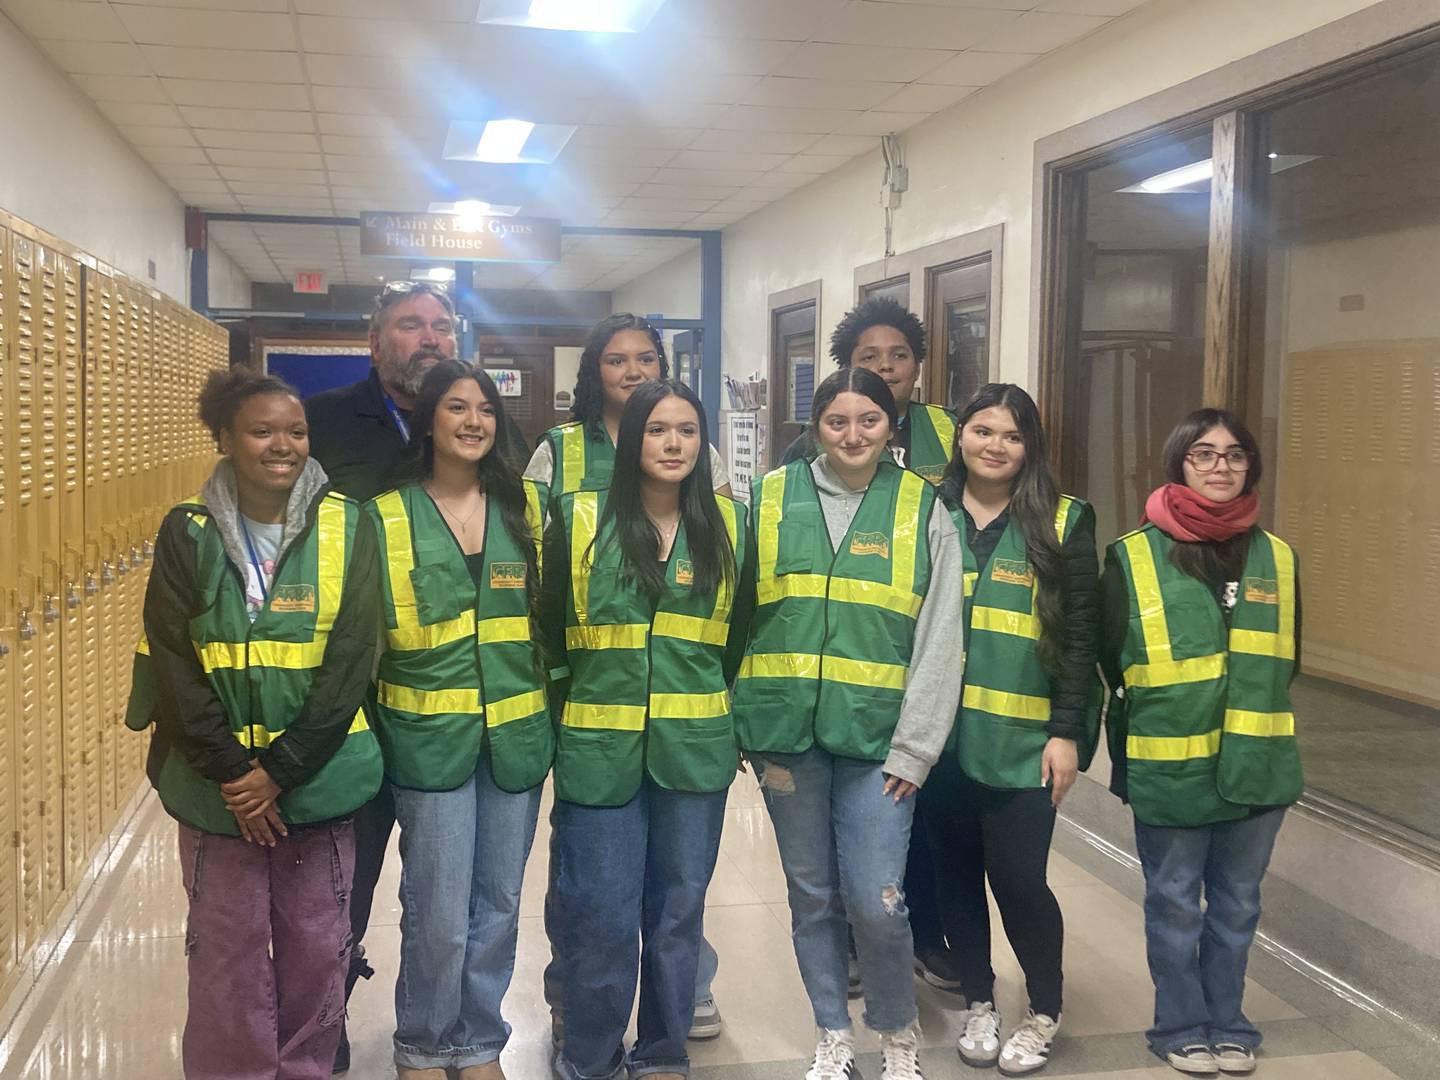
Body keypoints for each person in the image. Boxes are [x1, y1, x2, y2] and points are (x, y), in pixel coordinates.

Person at [124, 368, 382, 1079]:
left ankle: (306, 1070)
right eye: (262, 430)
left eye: (295, 431)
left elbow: (353, 656)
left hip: (318, 780)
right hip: (214, 788)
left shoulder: (349, 523)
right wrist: (238, 774)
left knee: (317, 946)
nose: (283, 445)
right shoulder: (189, 530)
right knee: (225, 951)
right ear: (226, 440)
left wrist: (282, 770)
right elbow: (174, 657)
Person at [732, 367, 964, 1080]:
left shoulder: (921, 508)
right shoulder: (769, 498)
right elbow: (732, 614)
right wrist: (738, 713)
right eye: (837, 421)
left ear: (891, 427)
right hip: (784, 737)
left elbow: (941, 636)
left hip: (881, 746)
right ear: (815, 426)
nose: (853, 434)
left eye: (869, 420)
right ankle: (833, 1031)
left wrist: (918, 747)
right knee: (811, 898)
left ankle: (896, 1033)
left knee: (878, 899)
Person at [526, 312, 731, 1043]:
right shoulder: (579, 519)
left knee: (679, 912)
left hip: (694, 752)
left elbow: (740, 641)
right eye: (656, 430)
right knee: (600, 911)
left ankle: (664, 1051)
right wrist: (562, 716)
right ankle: (587, 1051)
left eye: (686, 431)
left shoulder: (729, 528)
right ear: (629, 441)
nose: (672, 444)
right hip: (597, 749)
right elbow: (545, 633)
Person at [364, 360, 553, 1080]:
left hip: (514, 735)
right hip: (427, 739)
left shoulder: (525, 510)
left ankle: (478, 1043)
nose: (473, 420)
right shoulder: (384, 516)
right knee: (436, 907)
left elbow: (552, 622)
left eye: (484, 409)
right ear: (428, 420)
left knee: (500, 904)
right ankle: (422, 1041)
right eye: (456, 408)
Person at [1100, 409, 1302, 1077]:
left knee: (1238, 906)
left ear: (1252, 466)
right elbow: (1110, 657)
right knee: (1176, 904)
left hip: (1258, 765)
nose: (1222, 466)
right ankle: (1180, 1026)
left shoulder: (1280, 557)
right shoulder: (1131, 555)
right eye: (1205, 454)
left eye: (1235, 455)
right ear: (1178, 464)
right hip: (1171, 766)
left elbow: (1288, 660)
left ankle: (1230, 1023)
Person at [921, 384, 1101, 1077]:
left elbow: (1082, 634)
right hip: (939, 742)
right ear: (959, 435)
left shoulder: (1063, 520)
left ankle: (1045, 1008)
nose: (994, 445)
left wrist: (1068, 732)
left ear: (1031, 447)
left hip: (1026, 742)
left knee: (1021, 879)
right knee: (954, 878)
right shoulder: (926, 509)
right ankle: (978, 1001)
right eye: (982, 430)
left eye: (1012, 435)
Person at [303, 279, 460, 1071]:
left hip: (444, 706)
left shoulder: (476, 430)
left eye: (441, 326)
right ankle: (318, 1035)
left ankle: (429, 1037)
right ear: (376, 343)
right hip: (348, 708)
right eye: (410, 325)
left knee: (443, 899)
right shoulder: (322, 425)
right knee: (337, 890)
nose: (428, 339)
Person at [526, 312, 732, 499]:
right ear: (595, 371)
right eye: (617, 361)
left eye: (646, 359)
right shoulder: (559, 449)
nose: (634, 372)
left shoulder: (691, 448)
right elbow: (532, 533)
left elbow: (724, 527)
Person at [778, 297, 957, 485]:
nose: (886, 365)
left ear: (917, 369)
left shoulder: (949, 428)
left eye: (899, 355)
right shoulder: (811, 446)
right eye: (869, 357)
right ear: (848, 370)